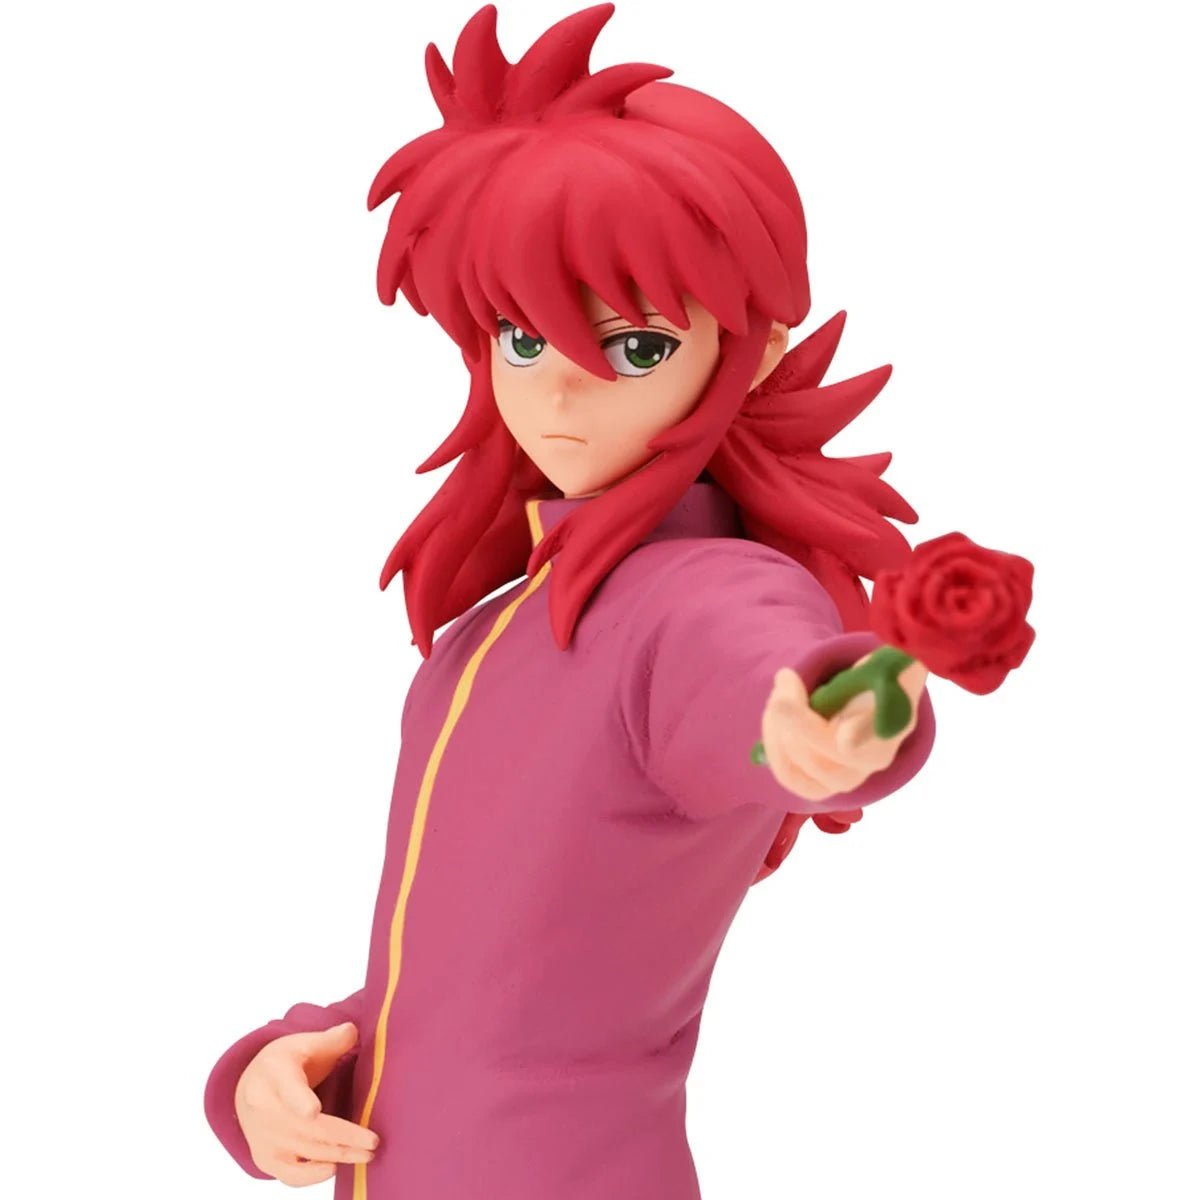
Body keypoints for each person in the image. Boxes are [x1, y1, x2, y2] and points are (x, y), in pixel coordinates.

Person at [203, 5, 935, 1198]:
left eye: (635, 347)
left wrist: (828, 718)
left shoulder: (702, 602)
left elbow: (764, 687)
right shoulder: (481, 642)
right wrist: (278, 1072)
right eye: (520, 336)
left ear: (748, 351)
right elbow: (465, 994)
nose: (559, 392)